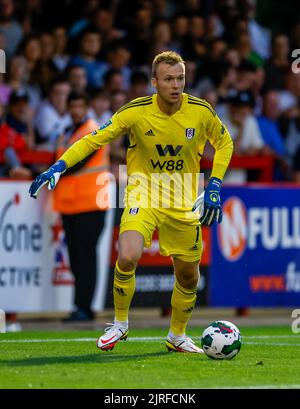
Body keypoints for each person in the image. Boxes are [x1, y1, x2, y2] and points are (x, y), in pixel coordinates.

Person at [29, 51, 233, 353]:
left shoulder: (201, 111)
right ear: (154, 82)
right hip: (143, 192)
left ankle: (177, 336)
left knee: (189, 277)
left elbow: (225, 142)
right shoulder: (135, 111)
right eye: (168, 79)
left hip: (184, 196)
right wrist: (59, 165)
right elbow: (93, 139)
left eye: (180, 78)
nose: (176, 85)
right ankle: (120, 324)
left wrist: (214, 183)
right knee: (127, 255)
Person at [53, 91, 110, 321]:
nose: (76, 110)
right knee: (77, 258)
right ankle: (81, 306)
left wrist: (50, 173)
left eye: (80, 106)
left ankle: (85, 308)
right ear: (68, 108)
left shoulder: (92, 131)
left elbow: (75, 163)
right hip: (70, 205)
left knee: (85, 258)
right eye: (72, 106)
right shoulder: (67, 133)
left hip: (90, 203)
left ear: (85, 107)